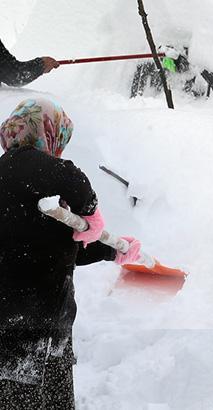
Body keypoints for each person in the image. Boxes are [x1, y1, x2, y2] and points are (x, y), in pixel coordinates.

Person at [0, 98, 141, 409]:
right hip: (18, 325)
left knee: (57, 401)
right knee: (19, 402)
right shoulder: (16, 167)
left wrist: (111, 252)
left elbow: (68, 247)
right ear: (43, 130)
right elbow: (68, 175)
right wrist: (91, 211)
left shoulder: (39, 193)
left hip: (52, 324)